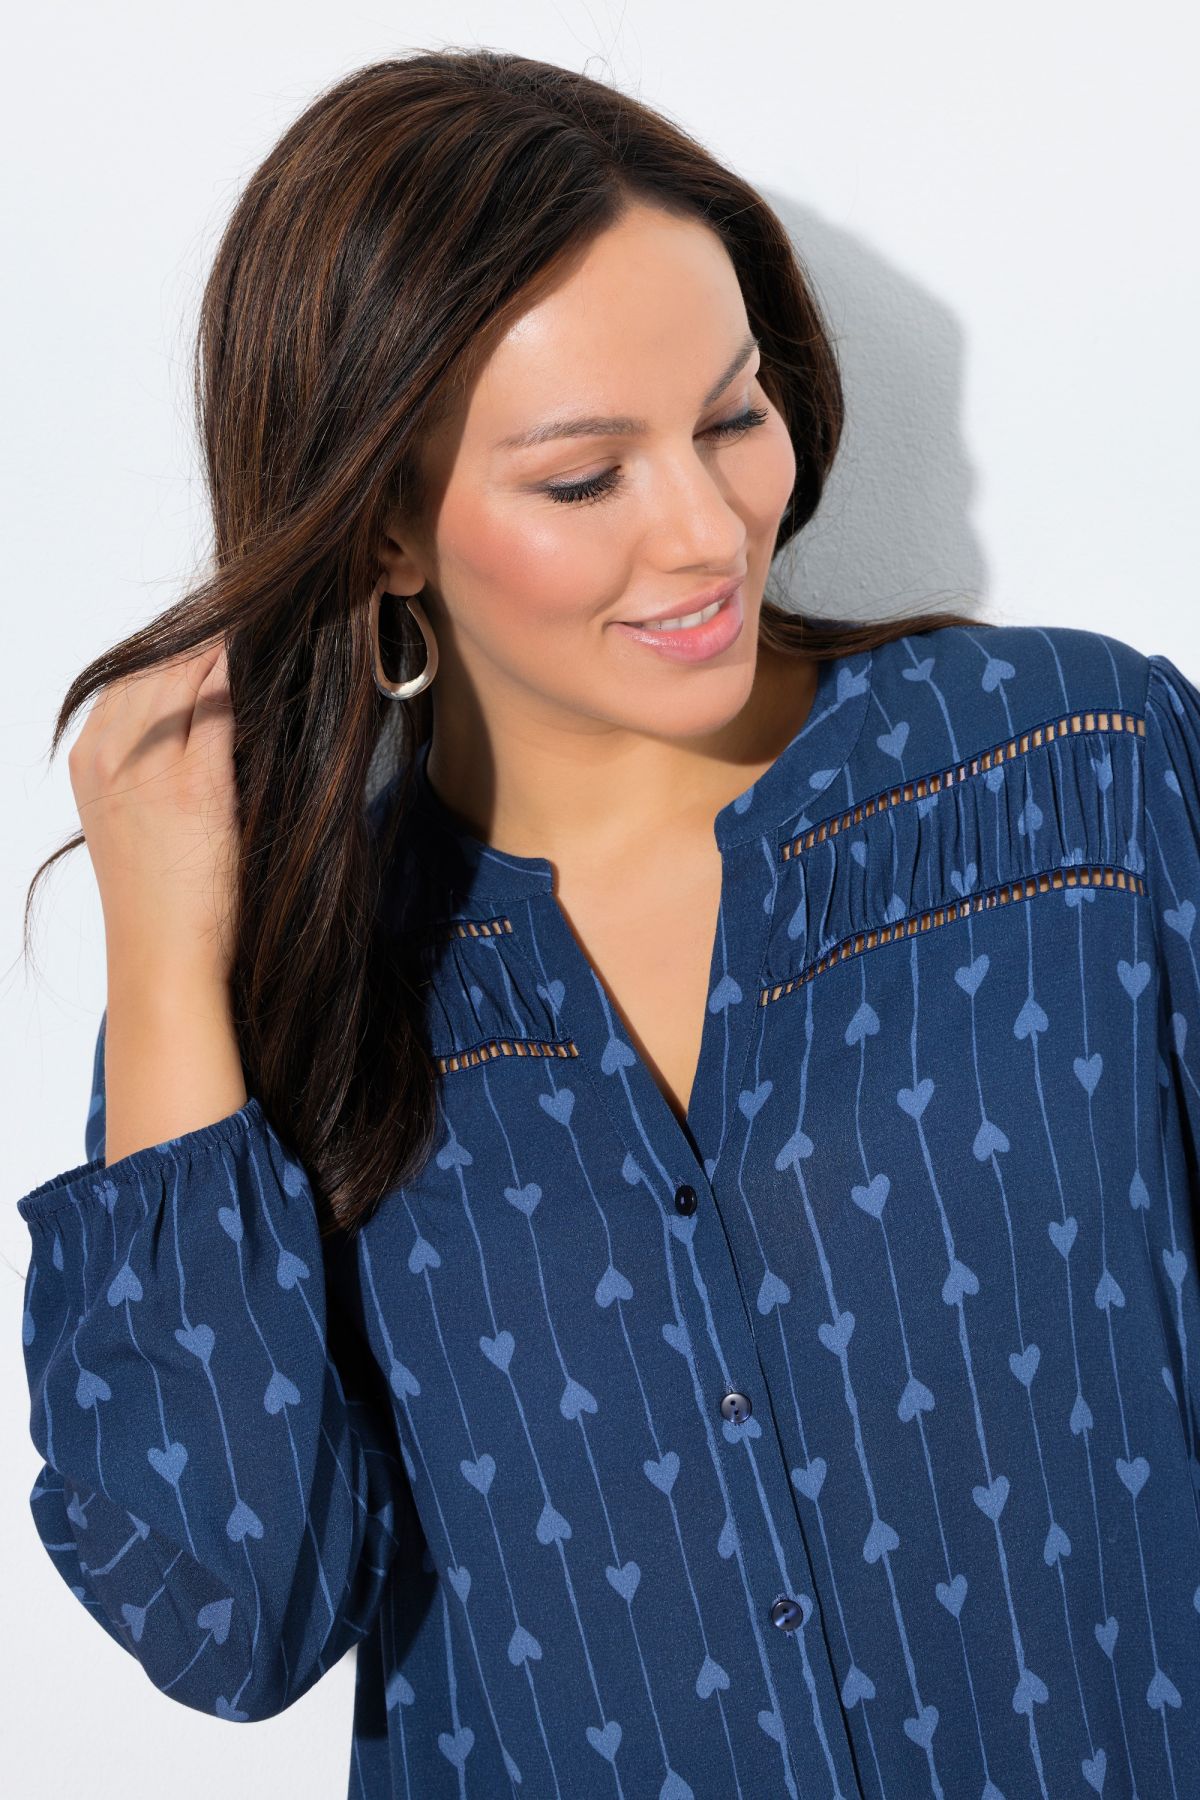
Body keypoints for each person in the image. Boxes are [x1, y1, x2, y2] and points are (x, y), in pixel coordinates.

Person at [15, 47, 1200, 1800]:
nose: (709, 530)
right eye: (586, 480)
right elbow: (225, 1609)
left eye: (732, 417)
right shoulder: (289, 984)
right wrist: (170, 948)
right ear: (387, 528)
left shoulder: (1076, 779)